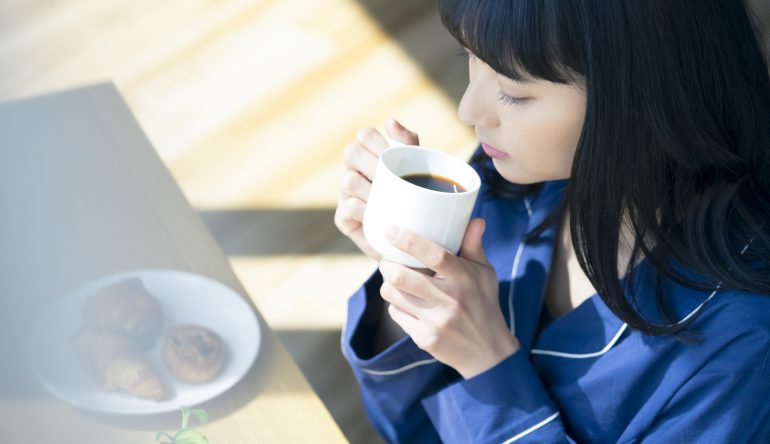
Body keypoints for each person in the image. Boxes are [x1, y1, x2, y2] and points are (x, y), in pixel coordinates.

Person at [334, 0, 770, 442]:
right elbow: (412, 432)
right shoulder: (515, 181)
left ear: (642, 94)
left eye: (514, 92)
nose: (468, 110)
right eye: (471, 58)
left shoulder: (741, 347)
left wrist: (489, 367)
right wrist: (413, 274)